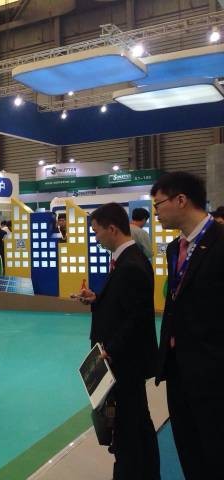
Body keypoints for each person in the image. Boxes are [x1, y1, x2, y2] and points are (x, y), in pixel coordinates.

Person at [75, 202, 160, 479]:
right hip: (126, 359)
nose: (96, 239)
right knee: (137, 423)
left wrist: (109, 350)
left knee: (129, 427)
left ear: (112, 229)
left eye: (97, 232)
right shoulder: (128, 261)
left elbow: (135, 319)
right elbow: (125, 305)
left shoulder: (130, 265)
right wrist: (97, 299)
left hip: (125, 362)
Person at [151, 172, 224, 479]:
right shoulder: (174, 249)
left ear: (181, 200)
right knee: (189, 449)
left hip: (213, 372)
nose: (156, 212)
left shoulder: (220, 242)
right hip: (178, 369)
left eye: (159, 204)